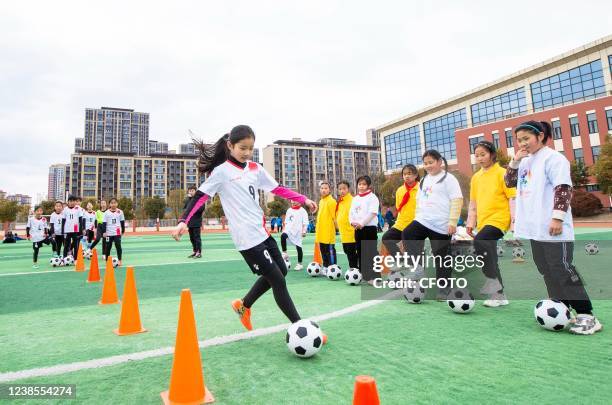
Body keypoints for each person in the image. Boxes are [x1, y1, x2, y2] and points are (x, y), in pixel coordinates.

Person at [173, 125, 325, 342]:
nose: (246, 152)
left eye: (250, 148)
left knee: (281, 270)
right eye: (242, 148)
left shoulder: (255, 168)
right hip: (246, 239)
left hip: (262, 233)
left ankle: (243, 306)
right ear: (230, 146)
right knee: (278, 281)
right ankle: (302, 329)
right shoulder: (222, 172)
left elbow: (277, 188)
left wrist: (303, 199)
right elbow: (200, 196)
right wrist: (182, 221)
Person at [504, 120, 602, 335]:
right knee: (546, 269)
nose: (522, 143)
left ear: (540, 136)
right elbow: (509, 183)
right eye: (518, 140)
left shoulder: (553, 158)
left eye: (526, 138)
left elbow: (563, 188)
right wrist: (514, 161)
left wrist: (557, 217)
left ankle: (587, 315)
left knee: (562, 269)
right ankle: (561, 305)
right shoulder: (525, 161)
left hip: (553, 227)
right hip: (535, 228)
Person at [402, 150, 463, 300]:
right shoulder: (424, 180)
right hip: (423, 220)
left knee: (441, 257)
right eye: (425, 163)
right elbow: (419, 202)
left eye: (431, 162)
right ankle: (417, 268)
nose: (428, 166)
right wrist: (417, 217)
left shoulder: (449, 179)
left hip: (441, 224)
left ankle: (444, 289)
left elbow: (457, 200)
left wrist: (452, 222)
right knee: (408, 233)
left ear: (440, 162)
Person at [466, 140, 516, 308]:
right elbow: (473, 202)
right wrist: (470, 223)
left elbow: (512, 198)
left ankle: (492, 282)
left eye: (483, 154)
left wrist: (513, 224)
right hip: (484, 221)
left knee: (480, 242)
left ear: (492, 155)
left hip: (500, 219)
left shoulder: (503, 173)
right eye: (477, 155)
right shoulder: (475, 178)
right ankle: (499, 295)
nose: (480, 158)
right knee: (491, 257)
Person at [381, 164, 419, 261]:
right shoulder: (400, 190)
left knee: (410, 245)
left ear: (415, 175)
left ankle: (417, 267)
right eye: (404, 174)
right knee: (386, 238)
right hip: (401, 223)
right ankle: (401, 260)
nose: (406, 176)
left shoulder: (421, 188)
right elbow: (398, 208)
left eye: (409, 173)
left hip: (416, 223)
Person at [349, 176, 381, 284]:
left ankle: (375, 276)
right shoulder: (355, 198)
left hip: (369, 229)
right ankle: (365, 275)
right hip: (357, 229)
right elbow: (351, 213)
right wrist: (352, 222)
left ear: (368, 185)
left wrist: (362, 223)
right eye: (359, 184)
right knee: (361, 252)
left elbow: (372, 213)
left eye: (364, 184)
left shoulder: (373, 198)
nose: (361, 186)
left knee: (371, 252)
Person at [315, 181, 337, 275]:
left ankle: (333, 268)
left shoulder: (331, 201)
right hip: (321, 231)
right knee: (323, 250)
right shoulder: (321, 201)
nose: (323, 190)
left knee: (330, 250)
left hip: (328, 231)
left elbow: (335, 217)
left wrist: (337, 228)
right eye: (322, 188)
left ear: (329, 190)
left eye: (326, 188)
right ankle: (326, 266)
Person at [335, 180, 358, 269]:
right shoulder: (340, 202)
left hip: (351, 232)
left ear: (348, 189)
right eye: (340, 189)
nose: (342, 191)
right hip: (343, 233)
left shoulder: (352, 200)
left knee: (352, 253)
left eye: (344, 188)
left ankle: (355, 269)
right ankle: (353, 269)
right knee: (347, 251)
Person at [281, 200, 309, 270]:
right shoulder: (289, 210)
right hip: (289, 230)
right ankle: (284, 253)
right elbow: (286, 222)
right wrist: (284, 228)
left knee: (298, 247)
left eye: (295, 200)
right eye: (292, 200)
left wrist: (304, 231)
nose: (293, 202)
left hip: (298, 232)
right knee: (283, 236)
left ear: (299, 201)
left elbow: (305, 222)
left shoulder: (303, 211)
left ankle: (300, 264)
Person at [102, 198, 125, 266]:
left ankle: (120, 260)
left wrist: (123, 230)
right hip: (109, 233)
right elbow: (104, 223)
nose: (113, 204)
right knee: (108, 247)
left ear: (117, 203)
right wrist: (104, 232)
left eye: (115, 203)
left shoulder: (120, 212)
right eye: (112, 203)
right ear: (109, 204)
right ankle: (107, 261)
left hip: (117, 233)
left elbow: (122, 222)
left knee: (118, 246)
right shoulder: (106, 213)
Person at [184, 186, 205, 258]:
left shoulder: (199, 199)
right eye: (189, 191)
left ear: (196, 191)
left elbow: (201, 209)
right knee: (192, 238)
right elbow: (186, 210)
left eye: (192, 190)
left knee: (197, 238)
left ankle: (199, 252)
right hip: (190, 223)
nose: (191, 192)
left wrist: (192, 209)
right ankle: (195, 251)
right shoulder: (187, 200)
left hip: (196, 222)